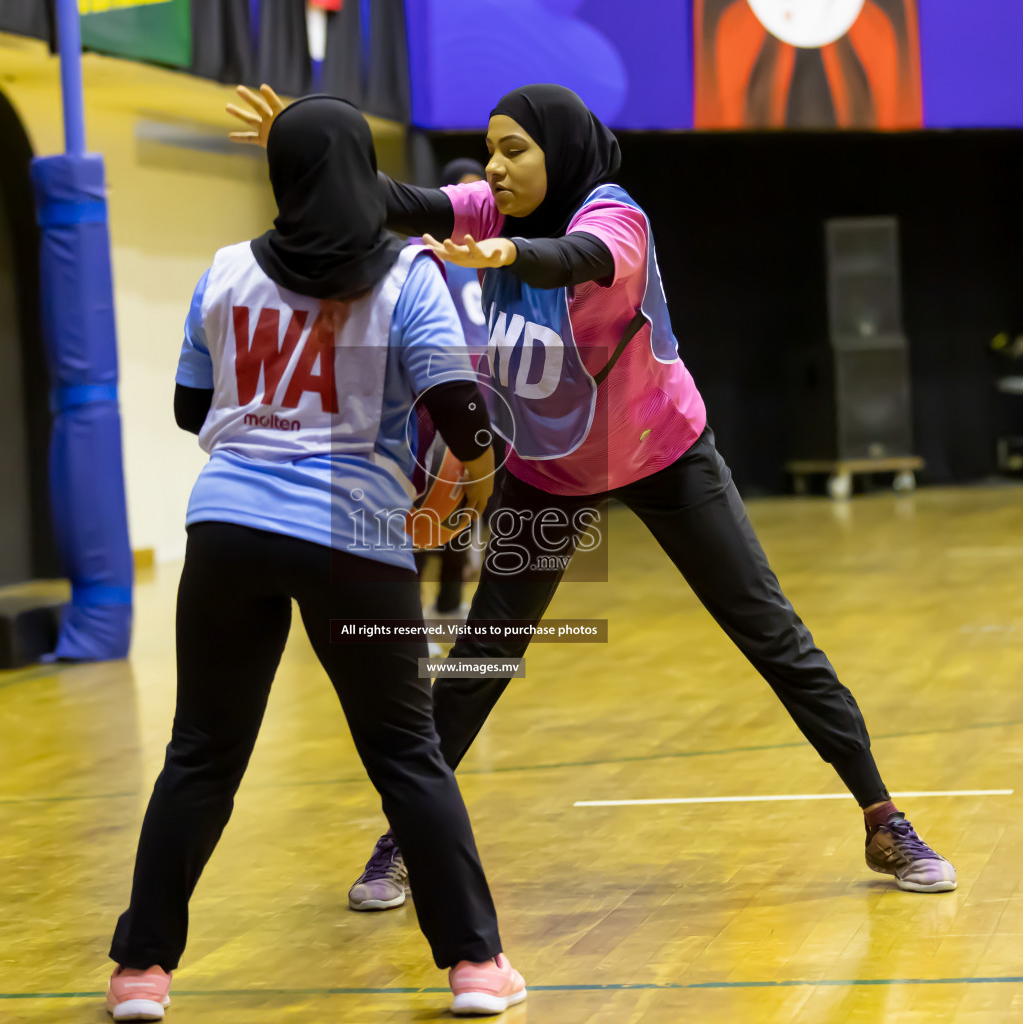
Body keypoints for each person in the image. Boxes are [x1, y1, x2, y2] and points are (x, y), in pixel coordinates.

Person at [228, 83, 957, 919]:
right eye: (490, 151)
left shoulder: (617, 214)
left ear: (559, 152)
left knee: (771, 633)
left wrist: (507, 257)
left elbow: (582, 258)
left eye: (515, 151)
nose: (495, 168)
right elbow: (394, 200)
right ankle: (404, 838)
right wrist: (307, 141)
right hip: (551, 474)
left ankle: (884, 817)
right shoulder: (486, 209)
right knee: (479, 662)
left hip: (664, 453)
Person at [106, 94, 527, 1021]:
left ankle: (140, 972)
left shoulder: (223, 270)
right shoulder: (407, 274)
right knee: (407, 756)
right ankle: (474, 968)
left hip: (225, 531)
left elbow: (190, 408)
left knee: (201, 756)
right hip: (353, 535)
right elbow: (462, 415)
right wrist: (466, 487)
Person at [416, 157, 492, 620]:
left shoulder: (498, 255)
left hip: (484, 400)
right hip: (434, 400)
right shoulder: (424, 250)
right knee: (424, 504)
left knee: (466, 506)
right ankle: (407, 611)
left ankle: (448, 604)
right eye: (466, 195)